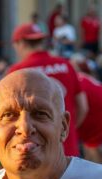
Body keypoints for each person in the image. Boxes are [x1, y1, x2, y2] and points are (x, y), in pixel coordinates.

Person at [7, 23, 88, 156]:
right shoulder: (66, 65)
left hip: (34, 152)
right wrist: (66, 130)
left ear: (20, 43)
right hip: (68, 148)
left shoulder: (17, 72)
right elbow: (83, 107)